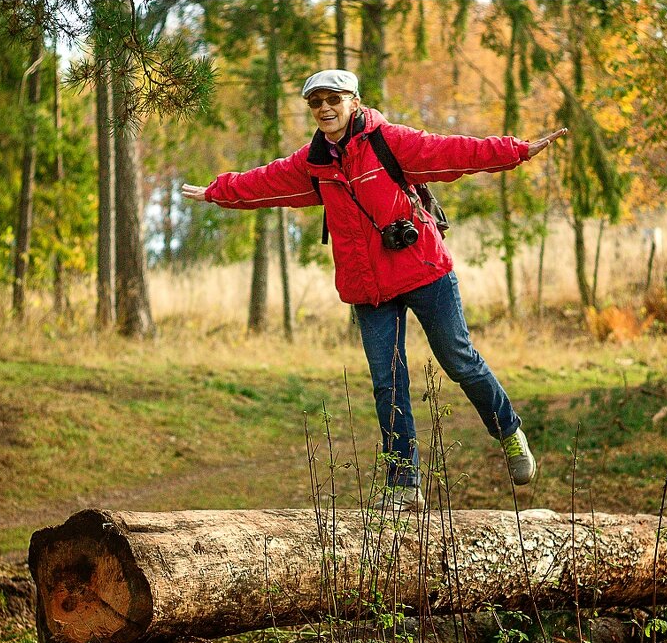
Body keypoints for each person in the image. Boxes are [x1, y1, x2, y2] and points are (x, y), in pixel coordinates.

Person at [182, 69, 567, 510]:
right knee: (388, 383)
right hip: (369, 289)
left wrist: (516, 151)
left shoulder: (390, 141)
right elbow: (265, 182)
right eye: (316, 101)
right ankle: (403, 483)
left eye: (334, 98)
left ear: (354, 100)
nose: (325, 108)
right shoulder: (314, 164)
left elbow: (453, 152)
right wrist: (216, 191)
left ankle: (509, 431)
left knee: (458, 358)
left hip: (423, 270)